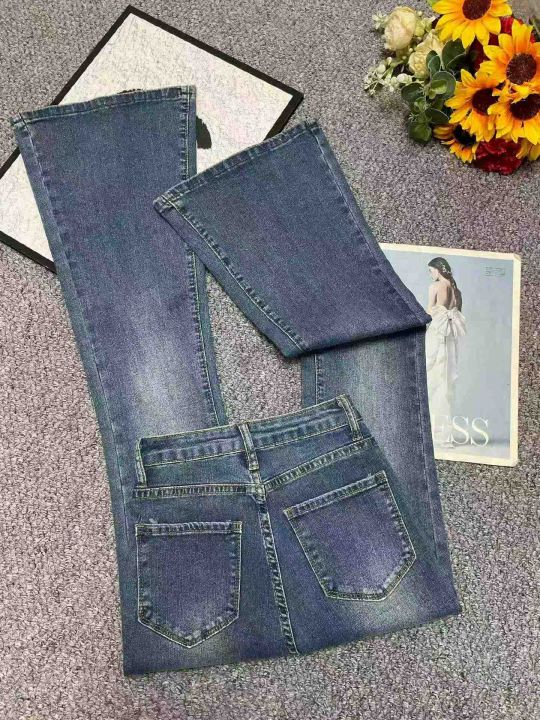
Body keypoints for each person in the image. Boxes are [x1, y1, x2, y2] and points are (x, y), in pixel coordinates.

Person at [426, 257, 467, 448]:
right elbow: (458, 313)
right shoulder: (457, 291)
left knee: (433, 382)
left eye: (431, 270)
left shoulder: (434, 287)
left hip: (437, 335)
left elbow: (428, 314)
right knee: (446, 385)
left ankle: (433, 434)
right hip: (450, 339)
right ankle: (444, 436)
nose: (430, 274)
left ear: (438, 269)